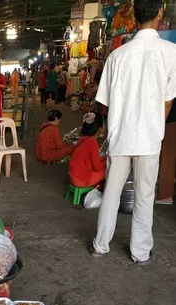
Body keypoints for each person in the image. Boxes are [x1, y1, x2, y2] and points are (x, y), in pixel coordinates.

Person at [90, 0, 176, 264]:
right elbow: (168, 100)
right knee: (144, 197)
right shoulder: (171, 52)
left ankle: (100, 245)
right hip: (149, 139)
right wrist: (155, 129)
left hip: (120, 136)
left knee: (111, 194)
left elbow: (103, 102)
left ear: (134, 17)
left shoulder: (118, 55)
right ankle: (139, 252)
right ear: (160, 14)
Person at [69, 113, 107, 187]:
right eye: (104, 124)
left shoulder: (83, 139)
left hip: (73, 176)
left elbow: (93, 161)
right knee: (108, 171)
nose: (105, 126)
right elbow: (97, 167)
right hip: (81, 179)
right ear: (99, 129)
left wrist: (105, 158)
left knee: (104, 164)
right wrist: (108, 161)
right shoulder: (93, 143)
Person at [156, 99, 176, 204]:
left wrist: (161, 122)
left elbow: (168, 103)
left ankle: (165, 195)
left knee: (167, 158)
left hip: (171, 120)